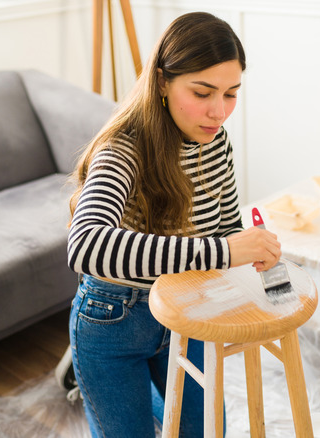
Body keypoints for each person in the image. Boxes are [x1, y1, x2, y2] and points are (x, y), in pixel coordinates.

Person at [62, 11, 282, 437]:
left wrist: (252, 251)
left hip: (187, 310)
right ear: (162, 81)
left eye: (231, 93)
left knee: (202, 430)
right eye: (202, 92)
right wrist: (228, 250)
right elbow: (86, 245)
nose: (219, 112)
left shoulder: (214, 142)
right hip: (113, 320)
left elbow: (225, 231)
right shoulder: (123, 150)